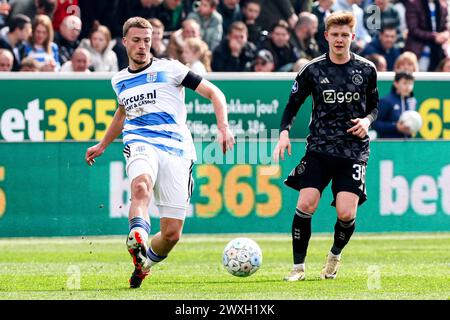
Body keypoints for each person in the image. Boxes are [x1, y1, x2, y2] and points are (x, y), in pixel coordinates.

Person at [84, 17, 235, 289]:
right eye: (137, 40)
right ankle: (137, 233)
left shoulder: (172, 69)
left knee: (171, 234)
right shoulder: (118, 79)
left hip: (177, 149)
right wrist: (103, 144)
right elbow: (122, 113)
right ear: (125, 42)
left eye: (147, 40)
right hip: (140, 140)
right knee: (140, 186)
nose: (143, 46)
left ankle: (144, 264)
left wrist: (223, 127)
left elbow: (215, 93)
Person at [273, 11, 379, 281]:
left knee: (346, 212)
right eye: (335, 35)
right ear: (326, 36)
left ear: (352, 37)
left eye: (345, 35)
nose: (340, 39)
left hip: (353, 150)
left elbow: (374, 108)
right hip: (319, 148)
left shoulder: (367, 69)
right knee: (306, 203)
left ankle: (334, 255)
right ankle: (298, 268)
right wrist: (284, 133)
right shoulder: (312, 69)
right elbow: (292, 105)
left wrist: (367, 121)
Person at [372, 71, 417, 138]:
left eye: (410, 83)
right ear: (395, 83)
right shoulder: (386, 101)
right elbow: (375, 124)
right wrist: (395, 127)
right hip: (389, 144)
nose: (408, 87)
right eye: (405, 83)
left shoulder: (412, 101)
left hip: (407, 145)